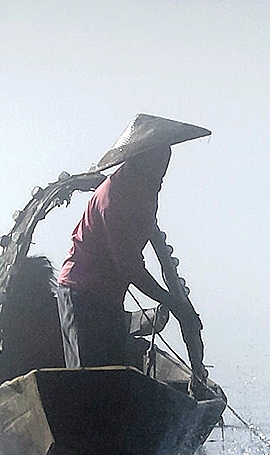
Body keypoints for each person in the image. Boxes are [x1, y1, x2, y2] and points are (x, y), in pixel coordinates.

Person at [56, 114, 213, 398]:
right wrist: (171, 301)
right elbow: (129, 267)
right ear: (141, 160)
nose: (164, 169)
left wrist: (176, 303)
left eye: (167, 159)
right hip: (81, 293)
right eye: (159, 160)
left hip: (109, 296)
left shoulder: (147, 190)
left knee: (114, 377)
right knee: (89, 382)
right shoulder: (114, 197)